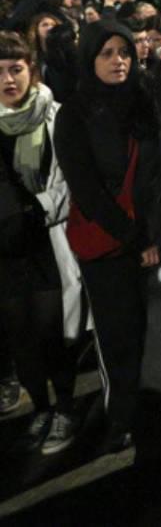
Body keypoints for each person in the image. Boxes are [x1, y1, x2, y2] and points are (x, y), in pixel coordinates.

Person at [54, 21, 159, 452]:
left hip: (155, 242)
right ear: (90, 58)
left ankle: (158, 415)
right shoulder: (74, 113)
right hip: (111, 246)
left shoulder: (147, 102)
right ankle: (123, 418)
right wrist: (136, 240)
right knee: (119, 337)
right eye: (108, 53)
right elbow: (88, 191)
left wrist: (155, 235)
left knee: (156, 335)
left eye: (125, 53)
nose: (119, 61)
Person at [0, 33, 80, 454]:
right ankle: (41, 409)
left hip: (49, 239)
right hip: (7, 250)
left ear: (32, 69)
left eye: (16, 68)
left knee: (53, 334)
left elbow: (70, 179)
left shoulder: (57, 116)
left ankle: (65, 409)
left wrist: (38, 207)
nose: (8, 79)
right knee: (20, 338)